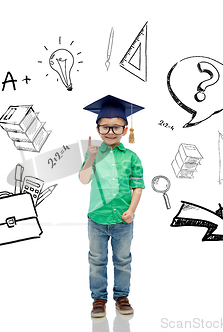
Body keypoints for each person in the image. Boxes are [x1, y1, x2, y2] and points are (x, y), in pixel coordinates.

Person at [79, 95, 145, 318]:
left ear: (125, 130)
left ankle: (121, 296)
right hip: (97, 219)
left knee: (123, 259)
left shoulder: (132, 157)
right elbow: (84, 179)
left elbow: (138, 187)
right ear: (98, 129)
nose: (110, 132)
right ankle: (98, 299)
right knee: (96, 260)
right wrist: (89, 158)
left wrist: (132, 210)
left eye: (116, 127)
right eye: (105, 127)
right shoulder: (94, 154)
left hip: (123, 220)